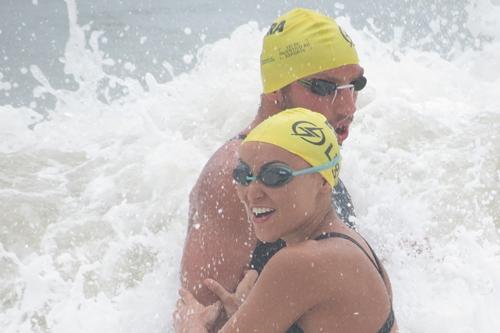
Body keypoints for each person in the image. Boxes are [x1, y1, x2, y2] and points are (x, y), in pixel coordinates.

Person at [180, 7, 367, 308]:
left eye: (354, 86)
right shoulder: (235, 178)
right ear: (276, 92)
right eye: (324, 87)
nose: (348, 108)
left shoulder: (306, 154)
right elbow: (198, 316)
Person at [175, 108, 396, 333]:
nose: (252, 192)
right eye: (243, 175)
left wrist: (190, 325)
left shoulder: (302, 262)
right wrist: (246, 315)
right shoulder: (353, 245)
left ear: (323, 182)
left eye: (275, 176)